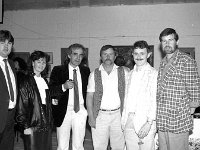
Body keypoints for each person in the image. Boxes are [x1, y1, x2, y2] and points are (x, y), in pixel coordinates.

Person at [156, 28, 200, 150]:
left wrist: (186, 115)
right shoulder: (163, 62)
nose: (167, 43)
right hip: (163, 119)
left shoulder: (186, 60)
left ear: (177, 41)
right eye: (164, 41)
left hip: (178, 121)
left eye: (170, 40)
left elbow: (195, 91)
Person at [49, 43, 90, 150]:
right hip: (64, 111)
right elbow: (51, 91)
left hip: (80, 110)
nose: (78, 57)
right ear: (69, 55)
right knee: (62, 145)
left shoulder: (86, 71)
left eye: (81, 55)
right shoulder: (58, 70)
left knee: (79, 145)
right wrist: (63, 86)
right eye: (75, 54)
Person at [86, 45, 127, 150]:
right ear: (101, 56)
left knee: (119, 147)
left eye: (110, 54)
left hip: (118, 116)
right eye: (105, 54)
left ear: (115, 56)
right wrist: (91, 116)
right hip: (99, 116)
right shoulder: (94, 74)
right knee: (99, 147)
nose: (108, 56)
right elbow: (89, 97)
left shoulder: (124, 72)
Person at [121, 40, 157, 150]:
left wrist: (149, 123)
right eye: (136, 53)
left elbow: (155, 99)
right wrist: (124, 121)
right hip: (128, 122)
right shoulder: (130, 74)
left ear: (148, 55)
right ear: (132, 55)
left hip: (145, 123)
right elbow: (126, 99)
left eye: (142, 53)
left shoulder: (154, 73)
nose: (139, 56)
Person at [16, 50, 54, 150]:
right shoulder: (25, 81)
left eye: (44, 62)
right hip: (32, 124)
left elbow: (43, 101)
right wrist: (25, 126)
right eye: (38, 61)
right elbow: (21, 105)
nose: (41, 65)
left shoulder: (44, 80)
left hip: (46, 123)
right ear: (32, 63)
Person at [0, 30, 17, 150]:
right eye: (2, 42)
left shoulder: (11, 63)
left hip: (11, 115)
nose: (6, 46)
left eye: (9, 43)